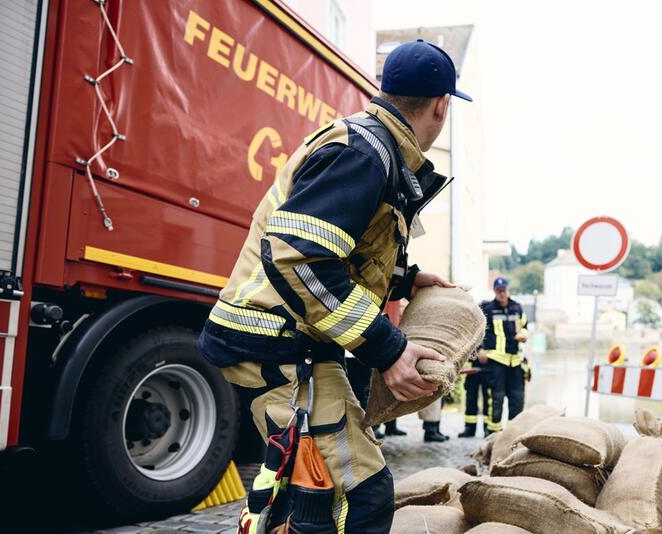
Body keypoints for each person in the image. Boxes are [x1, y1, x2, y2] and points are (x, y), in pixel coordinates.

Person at [197, 39, 470, 533]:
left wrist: (404, 279)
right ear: (441, 104)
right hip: (279, 345)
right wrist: (388, 350)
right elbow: (298, 257)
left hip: (287, 342)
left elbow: (341, 254)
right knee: (360, 493)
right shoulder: (365, 155)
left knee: (307, 484)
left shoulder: (371, 147)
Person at [478, 277, 529, 435]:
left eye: (504, 290)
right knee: (496, 398)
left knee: (517, 399)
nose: (502, 293)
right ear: (494, 291)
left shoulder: (517, 308)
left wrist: (524, 334)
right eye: (498, 290)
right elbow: (479, 331)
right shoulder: (487, 308)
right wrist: (480, 349)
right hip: (496, 360)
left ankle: (513, 434)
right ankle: (493, 434)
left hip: (515, 361)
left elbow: (525, 326)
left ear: (507, 290)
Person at [458, 351, 489, 438]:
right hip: (472, 368)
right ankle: (469, 428)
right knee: (470, 398)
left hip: (488, 367)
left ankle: (487, 428)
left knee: (488, 399)